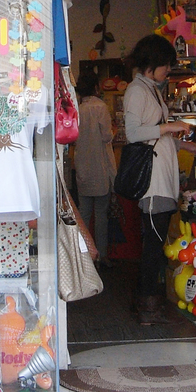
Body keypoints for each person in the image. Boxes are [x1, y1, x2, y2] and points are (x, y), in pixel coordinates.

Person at [123, 34, 196, 325]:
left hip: (162, 178)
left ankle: (146, 301)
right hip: (153, 182)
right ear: (151, 64)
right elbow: (134, 133)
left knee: (155, 243)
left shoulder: (150, 89)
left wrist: (184, 145)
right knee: (153, 245)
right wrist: (171, 127)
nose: (168, 70)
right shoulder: (137, 91)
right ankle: (147, 305)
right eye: (166, 65)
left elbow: (156, 134)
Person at [73, 73, 116, 267]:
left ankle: (83, 258)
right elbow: (106, 136)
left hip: (82, 166)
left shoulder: (77, 109)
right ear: (96, 87)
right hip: (100, 167)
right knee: (101, 215)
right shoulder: (101, 107)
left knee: (83, 214)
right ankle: (102, 255)